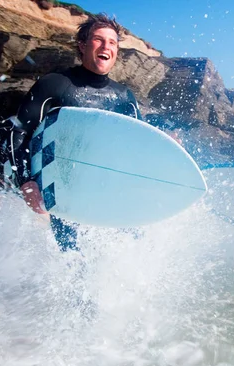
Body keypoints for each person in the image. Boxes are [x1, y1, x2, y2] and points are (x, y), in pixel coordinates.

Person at [8, 13, 142, 251]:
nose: (106, 46)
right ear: (82, 45)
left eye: (112, 42)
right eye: (98, 40)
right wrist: (26, 181)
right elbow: (18, 132)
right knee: (71, 256)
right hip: (61, 185)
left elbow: (137, 146)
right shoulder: (55, 84)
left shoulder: (124, 97)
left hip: (104, 187)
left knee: (124, 250)